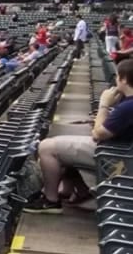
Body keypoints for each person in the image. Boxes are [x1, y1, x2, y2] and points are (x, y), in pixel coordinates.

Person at [26, 59, 133, 213]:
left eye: (117, 76)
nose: (116, 80)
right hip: (119, 149)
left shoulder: (128, 106)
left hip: (115, 155)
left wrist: (104, 105)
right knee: (62, 146)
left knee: (47, 147)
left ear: (123, 79)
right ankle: (79, 192)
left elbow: (97, 135)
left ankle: (50, 200)